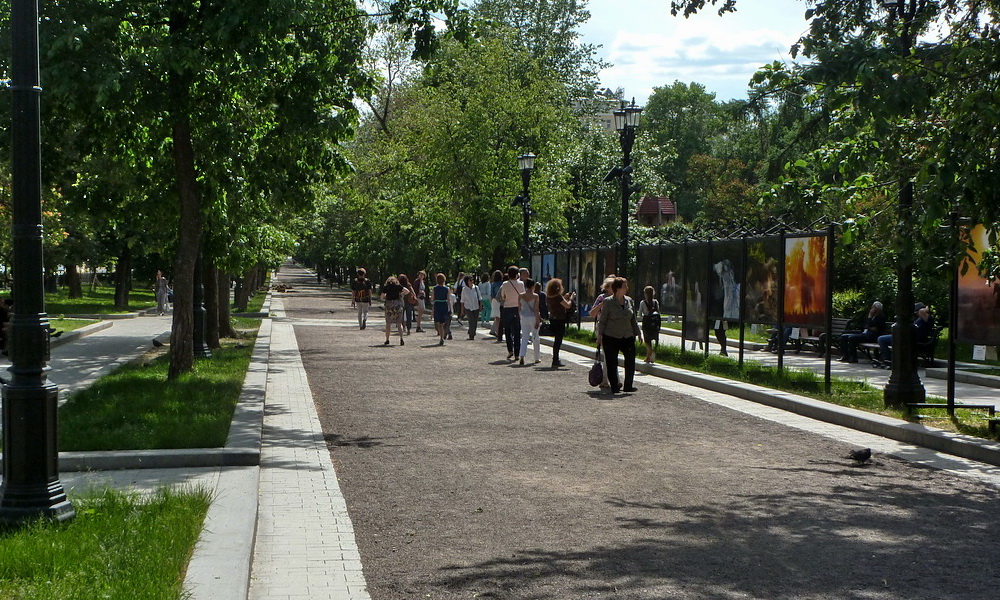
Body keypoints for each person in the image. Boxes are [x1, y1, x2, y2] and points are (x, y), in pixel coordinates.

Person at [596, 277, 642, 394]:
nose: (627, 288)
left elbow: (633, 319)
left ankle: (628, 385)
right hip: (611, 336)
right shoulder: (608, 302)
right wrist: (599, 336)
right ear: (618, 288)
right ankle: (614, 386)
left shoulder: (629, 301)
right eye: (625, 286)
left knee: (630, 361)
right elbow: (603, 321)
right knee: (612, 362)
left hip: (627, 336)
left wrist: (638, 333)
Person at [874, 302, 935, 368]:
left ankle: (889, 359)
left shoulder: (928, 319)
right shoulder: (919, 319)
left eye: (916, 312)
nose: (916, 313)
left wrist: (926, 308)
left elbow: (921, 311)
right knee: (881, 339)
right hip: (906, 337)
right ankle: (888, 359)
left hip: (912, 340)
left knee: (881, 339)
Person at [497, 266, 526, 360]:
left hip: (507, 308)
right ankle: (517, 353)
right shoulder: (521, 284)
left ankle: (510, 350)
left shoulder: (505, 284)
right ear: (517, 274)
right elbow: (523, 295)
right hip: (517, 308)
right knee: (517, 331)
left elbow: (503, 296)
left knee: (508, 330)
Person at [546, 278, 574, 369]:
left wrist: (564, 297)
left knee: (556, 340)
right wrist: (571, 299)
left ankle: (555, 358)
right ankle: (555, 359)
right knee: (558, 340)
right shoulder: (558, 297)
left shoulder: (549, 296)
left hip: (552, 318)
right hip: (560, 319)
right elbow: (567, 305)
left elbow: (559, 303)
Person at [518, 278, 542, 365]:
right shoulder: (535, 296)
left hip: (524, 317)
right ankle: (536, 358)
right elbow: (536, 309)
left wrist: (520, 316)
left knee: (524, 337)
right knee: (535, 337)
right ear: (533, 286)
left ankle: (522, 355)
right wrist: (538, 320)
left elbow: (519, 307)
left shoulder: (520, 295)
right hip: (533, 317)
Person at [380, 276, 409, 346]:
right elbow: (407, 291)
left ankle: (387, 339)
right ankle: (401, 338)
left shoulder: (386, 287)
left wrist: (386, 296)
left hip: (389, 305)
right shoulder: (398, 286)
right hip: (397, 305)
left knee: (388, 323)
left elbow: (381, 296)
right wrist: (401, 294)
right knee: (399, 323)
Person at [638, 286, 660, 363]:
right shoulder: (656, 302)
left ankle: (650, 352)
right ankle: (648, 357)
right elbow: (658, 312)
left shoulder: (642, 302)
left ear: (645, 294)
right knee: (652, 337)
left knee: (647, 340)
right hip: (654, 322)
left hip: (646, 321)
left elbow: (640, 314)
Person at [460, 275, 482, 339]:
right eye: (470, 280)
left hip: (476, 306)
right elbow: (462, 300)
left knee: (475, 321)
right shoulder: (464, 289)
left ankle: (471, 332)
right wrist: (462, 309)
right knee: (471, 321)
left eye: (472, 280)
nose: (472, 281)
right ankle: (471, 334)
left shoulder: (476, 288)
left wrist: (480, 306)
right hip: (468, 307)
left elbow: (479, 297)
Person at [432, 273, 451, 345]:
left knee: (439, 323)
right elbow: (448, 299)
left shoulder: (434, 288)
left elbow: (432, 299)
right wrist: (450, 308)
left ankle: (441, 337)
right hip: (444, 304)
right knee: (443, 321)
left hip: (437, 304)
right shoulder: (447, 289)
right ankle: (443, 335)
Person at [489, 270, 504, 342]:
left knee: (497, 318)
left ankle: (498, 332)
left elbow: (492, 294)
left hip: (495, 300)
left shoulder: (493, 284)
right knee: (501, 317)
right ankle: (500, 331)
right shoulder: (503, 283)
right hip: (502, 300)